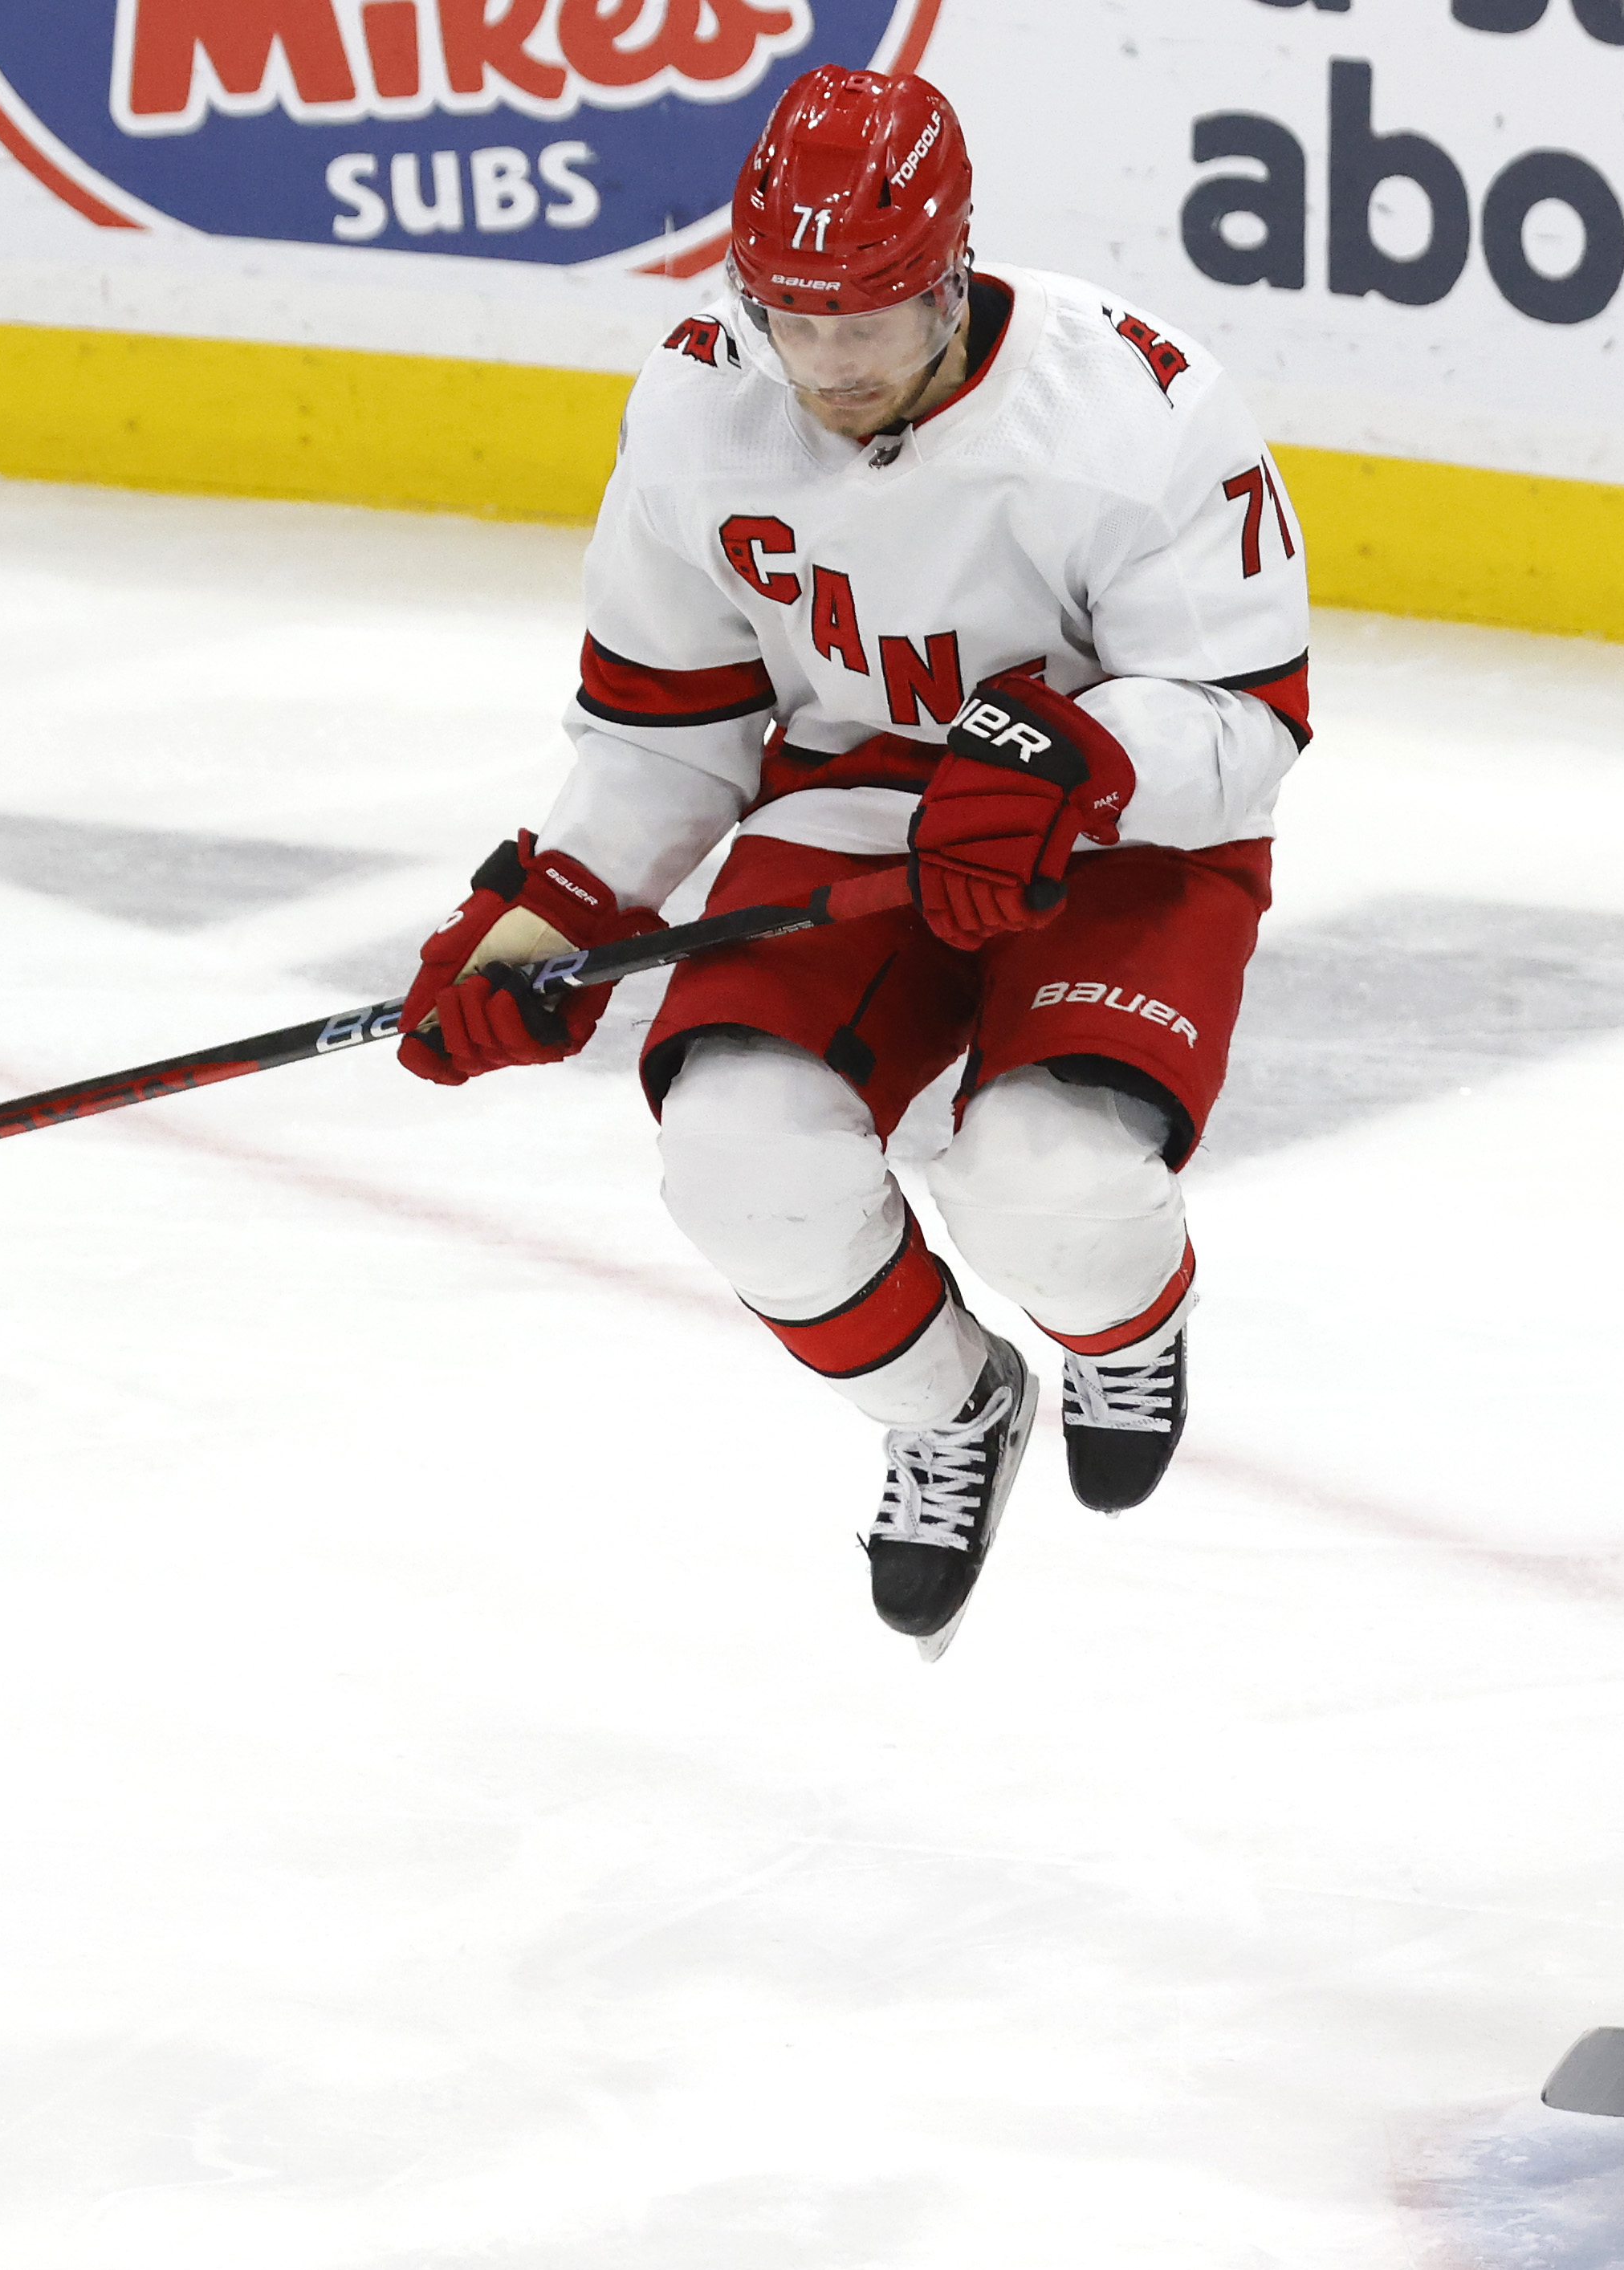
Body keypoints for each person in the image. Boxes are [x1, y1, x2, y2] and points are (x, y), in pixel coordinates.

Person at [393, 67, 1309, 1654]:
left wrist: (1081, 757)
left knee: (1051, 1180)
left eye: (868, 322)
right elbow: (666, 726)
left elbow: (1248, 723)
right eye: (789, 320)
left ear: (952, 276)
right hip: (857, 801)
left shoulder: (1131, 409)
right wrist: (555, 902)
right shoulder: (696, 410)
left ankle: (1120, 1323)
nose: (825, 366)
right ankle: (947, 1409)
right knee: (735, 1153)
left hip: (1116, 829)